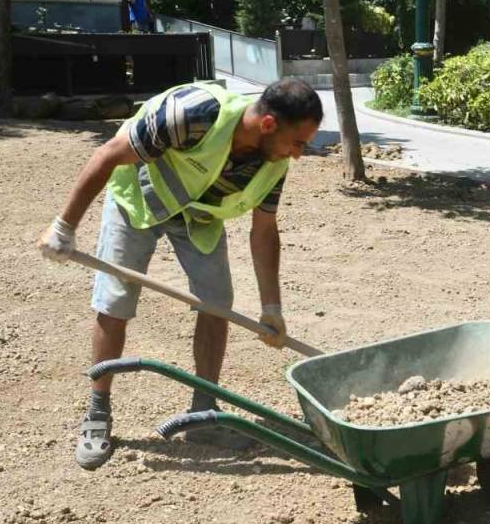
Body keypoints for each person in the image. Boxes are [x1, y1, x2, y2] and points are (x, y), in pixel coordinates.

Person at [38, 79, 324, 470]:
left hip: (198, 218)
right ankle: (97, 412)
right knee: (115, 302)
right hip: (137, 199)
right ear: (269, 124)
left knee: (217, 304)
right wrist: (64, 226)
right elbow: (106, 156)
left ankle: (203, 415)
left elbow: (264, 230)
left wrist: (271, 307)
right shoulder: (192, 114)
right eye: (298, 143)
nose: (299, 155)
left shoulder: (272, 160)